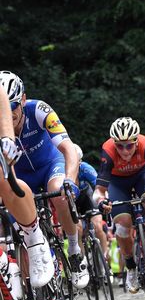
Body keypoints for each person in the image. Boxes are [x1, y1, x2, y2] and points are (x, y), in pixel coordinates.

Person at [1, 71, 88, 288]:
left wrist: (70, 180)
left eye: (13, 106)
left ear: (23, 100)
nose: (9, 113)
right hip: (21, 175)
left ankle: (74, 250)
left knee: (60, 194)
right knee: (17, 219)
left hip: (50, 164)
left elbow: (68, 148)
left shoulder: (39, 110)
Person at [94, 117, 145, 293]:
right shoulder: (108, 150)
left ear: (136, 142)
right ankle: (131, 268)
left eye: (129, 145)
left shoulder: (144, 144)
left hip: (142, 176)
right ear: (114, 143)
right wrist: (102, 201)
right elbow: (99, 190)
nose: (125, 151)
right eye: (120, 146)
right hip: (117, 183)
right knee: (122, 226)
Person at [0, 82, 54, 298]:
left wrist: (7, 138)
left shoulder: (37, 109)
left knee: (5, 180)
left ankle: (34, 238)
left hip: (45, 167)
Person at [73, 143, 109, 260]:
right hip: (72, 201)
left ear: (80, 161)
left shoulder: (85, 168)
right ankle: (82, 259)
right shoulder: (61, 171)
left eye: (76, 162)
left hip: (86, 197)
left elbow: (99, 186)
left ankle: (104, 257)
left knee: (98, 226)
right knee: (77, 229)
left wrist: (104, 200)